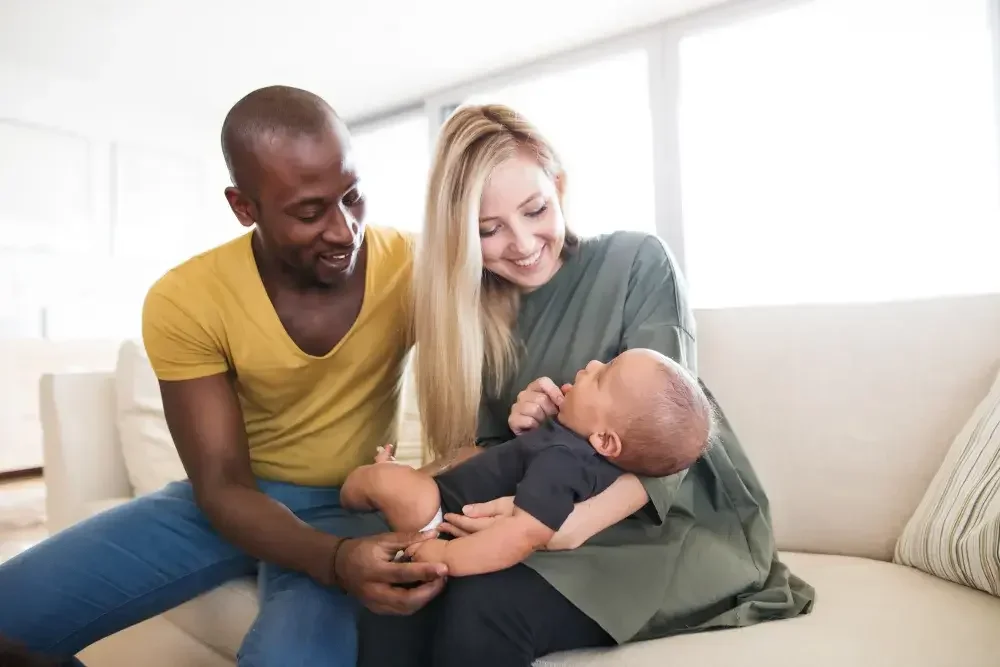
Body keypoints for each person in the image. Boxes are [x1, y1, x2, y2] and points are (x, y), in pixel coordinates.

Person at [0, 86, 449, 667]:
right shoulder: (186, 298)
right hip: (231, 498)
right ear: (244, 208)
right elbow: (221, 484)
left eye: (353, 197)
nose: (343, 230)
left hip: (351, 500)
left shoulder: (413, 266)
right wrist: (333, 560)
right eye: (310, 212)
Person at [358, 103, 816, 667]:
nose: (522, 243)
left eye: (535, 210)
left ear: (559, 186)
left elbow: (674, 435)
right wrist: (507, 435)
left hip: (660, 522)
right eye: (489, 229)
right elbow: (494, 460)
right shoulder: (472, 316)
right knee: (405, 585)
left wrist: (566, 527)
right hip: (542, 506)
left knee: (483, 604)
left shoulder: (636, 261)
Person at [342, 348, 713, 578]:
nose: (594, 363)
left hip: (442, 513)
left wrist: (447, 557)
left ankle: (352, 493)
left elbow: (521, 536)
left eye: (602, 377)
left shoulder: (564, 462)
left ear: (604, 439)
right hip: (447, 495)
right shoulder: (570, 447)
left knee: (387, 484)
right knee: (405, 480)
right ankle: (376, 484)